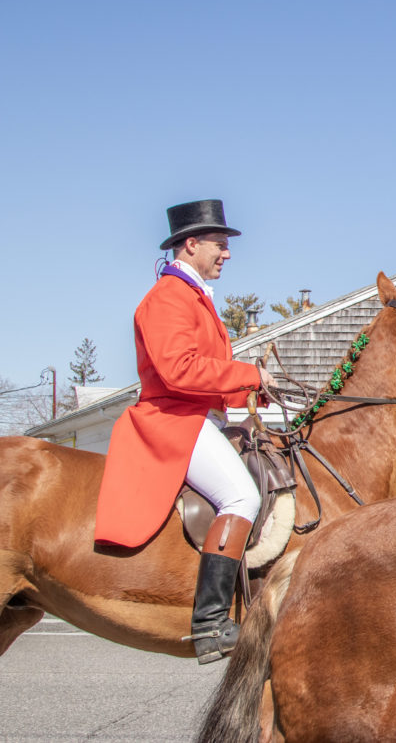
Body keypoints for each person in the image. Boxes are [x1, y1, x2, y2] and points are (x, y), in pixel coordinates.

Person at [95, 199, 275, 664]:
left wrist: (248, 391)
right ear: (191, 244)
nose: (227, 254)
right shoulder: (168, 298)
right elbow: (179, 372)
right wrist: (247, 376)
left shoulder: (193, 297)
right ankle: (210, 623)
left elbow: (207, 377)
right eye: (220, 245)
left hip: (195, 416)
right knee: (243, 498)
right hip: (171, 421)